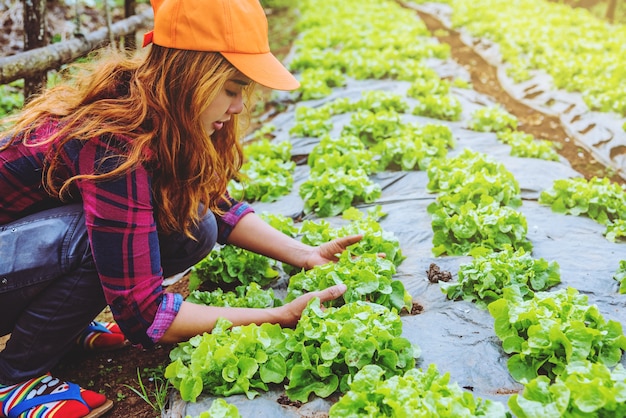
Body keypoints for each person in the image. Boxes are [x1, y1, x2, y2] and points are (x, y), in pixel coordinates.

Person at [0, 0, 361, 416]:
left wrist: (304, 254)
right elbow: (143, 312)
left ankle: (63, 329)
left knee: (193, 225)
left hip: (18, 260)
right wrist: (277, 316)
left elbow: (212, 202)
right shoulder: (114, 142)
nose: (239, 106)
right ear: (191, 76)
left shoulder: (156, 112)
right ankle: (14, 378)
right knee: (93, 237)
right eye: (231, 89)